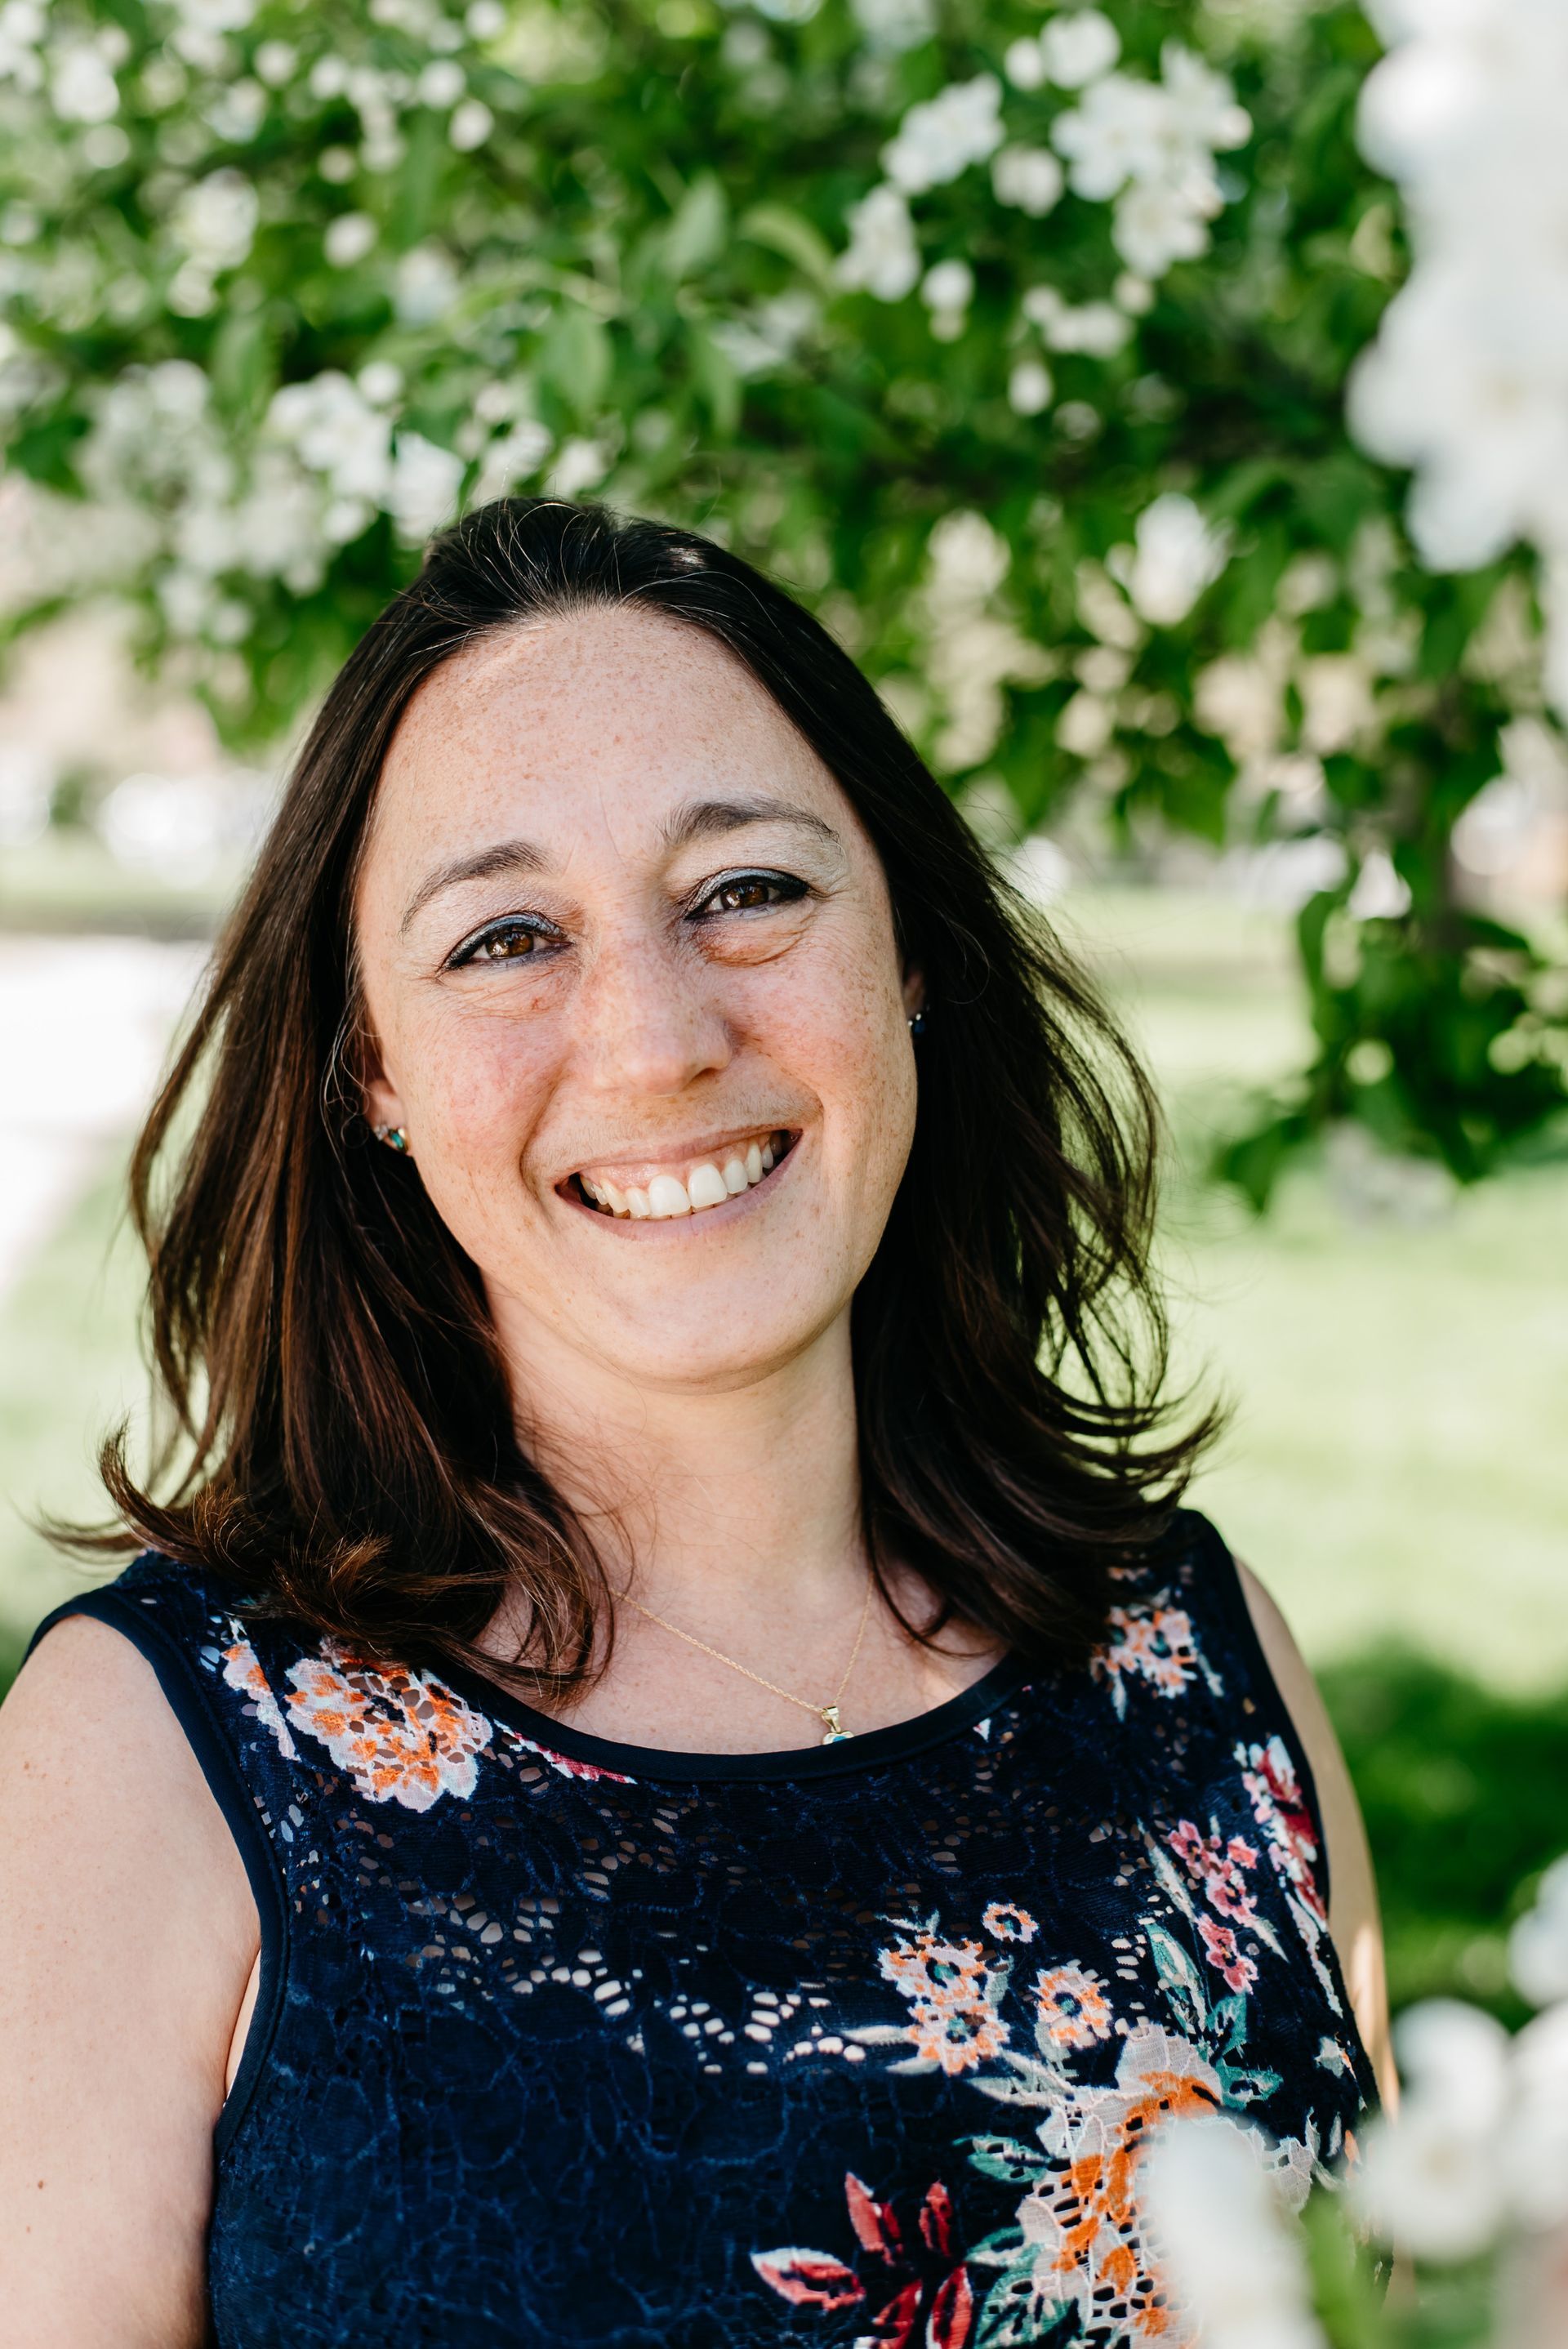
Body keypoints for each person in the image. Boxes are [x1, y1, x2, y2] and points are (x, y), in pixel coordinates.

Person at [0, 498, 1392, 2348]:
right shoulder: (150, 1760)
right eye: (505, 937)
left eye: (747, 890)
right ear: (373, 1074)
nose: (655, 1037)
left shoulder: (1199, 1663)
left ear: (907, 955)